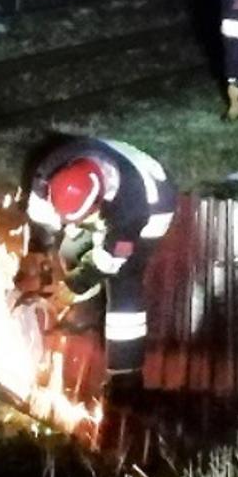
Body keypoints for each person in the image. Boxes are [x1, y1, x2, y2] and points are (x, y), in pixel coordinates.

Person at [21, 137, 177, 400]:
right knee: (71, 249)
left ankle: (125, 377)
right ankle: (82, 307)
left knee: (124, 278)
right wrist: (41, 253)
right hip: (109, 190)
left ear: (97, 204)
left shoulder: (131, 208)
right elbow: (41, 218)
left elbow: (111, 258)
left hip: (155, 202)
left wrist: (74, 285)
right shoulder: (50, 170)